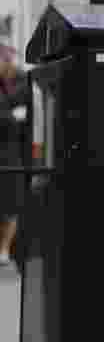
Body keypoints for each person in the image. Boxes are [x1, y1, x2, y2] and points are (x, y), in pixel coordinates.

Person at [0, 45, 30, 269]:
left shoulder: (24, 82)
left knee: (12, 203)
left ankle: (4, 250)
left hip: (13, 152)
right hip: (8, 146)